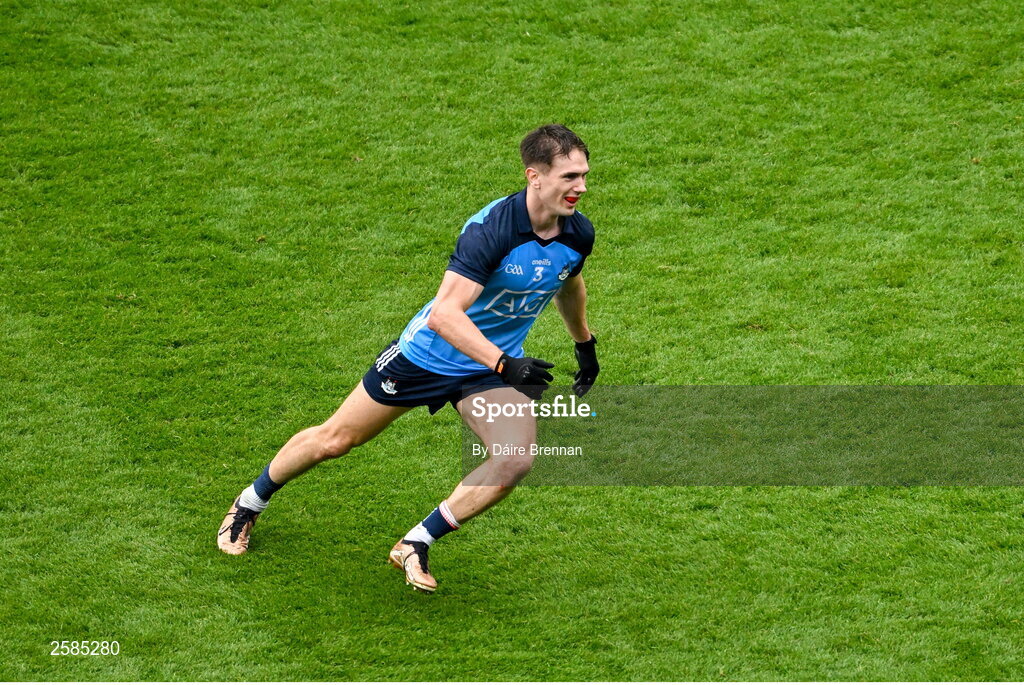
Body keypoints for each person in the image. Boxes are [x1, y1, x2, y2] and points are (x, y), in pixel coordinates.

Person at [217, 124, 600, 593]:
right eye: (569, 177)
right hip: (426, 357)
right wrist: (505, 364)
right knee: (335, 440)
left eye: (583, 175)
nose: (580, 187)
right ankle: (250, 502)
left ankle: (415, 543)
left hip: (483, 370)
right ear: (534, 177)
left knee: (515, 459)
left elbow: (568, 281)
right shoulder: (491, 232)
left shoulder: (577, 234)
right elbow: (443, 315)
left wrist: (584, 344)